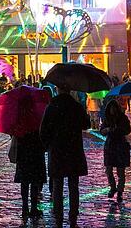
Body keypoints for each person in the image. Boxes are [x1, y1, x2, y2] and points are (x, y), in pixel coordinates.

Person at [40, 85, 90, 227]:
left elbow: (43, 130)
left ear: (57, 89)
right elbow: (86, 124)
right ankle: (73, 217)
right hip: (74, 150)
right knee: (74, 186)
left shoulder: (52, 107)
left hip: (57, 151)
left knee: (57, 186)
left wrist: (48, 145)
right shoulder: (76, 106)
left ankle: (59, 218)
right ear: (70, 90)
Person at [13, 128, 46, 223]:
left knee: (25, 181)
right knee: (34, 181)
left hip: (23, 151)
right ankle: (33, 208)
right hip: (36, 151)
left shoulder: (21, 121)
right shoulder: (38, 121)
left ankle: (25, 207)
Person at [101, 100, 131, 202]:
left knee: (120, 172)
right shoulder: (107, 119)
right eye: (111, 108)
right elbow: (102, 130)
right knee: (108, 170)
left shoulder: (123, 118)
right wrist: (107, 130)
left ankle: (120, 191)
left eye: (114, 108)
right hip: (110, 146)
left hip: (120, 146)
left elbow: (128, 130)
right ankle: (113, 187)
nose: (112, 110)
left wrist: (118, 129)